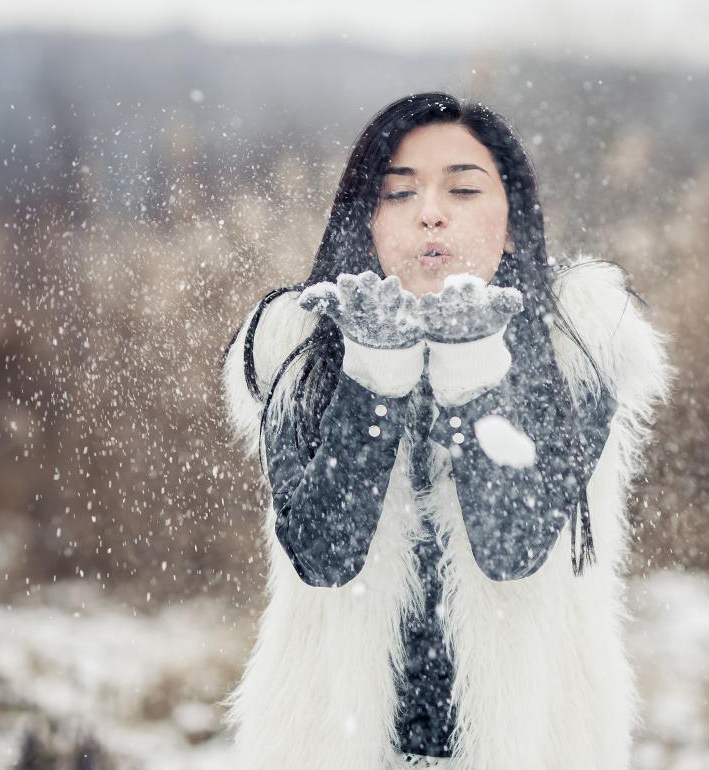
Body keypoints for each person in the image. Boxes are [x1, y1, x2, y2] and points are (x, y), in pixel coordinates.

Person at [218, 92, 674, 770]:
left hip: (535, 744)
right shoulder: (301, 343)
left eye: (462, 188)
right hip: (326, 744)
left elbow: (513, 546)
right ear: (365, 222)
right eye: (398, 194)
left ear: (514, 222)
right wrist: (374, 367)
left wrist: (470, 363)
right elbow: (324, 552)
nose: (430, 212)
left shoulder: (575, 340)